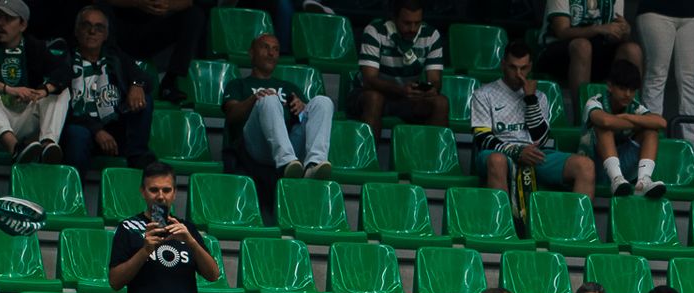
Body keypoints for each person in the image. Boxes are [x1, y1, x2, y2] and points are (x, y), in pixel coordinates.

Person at [109, 163, 221, 293]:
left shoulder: (186, 229)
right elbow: (115, 281)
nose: (160, 196)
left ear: (175, 193)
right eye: (154, 189)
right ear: (143, 192)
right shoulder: (128, 229)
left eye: (166, 190)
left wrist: (191, 242)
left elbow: (213, 274)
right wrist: (144, 251)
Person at [471, 42, 595, 198]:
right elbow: (482, 139)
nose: (518, 74)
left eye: (523, 68)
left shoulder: (539, 97)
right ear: (503, 65)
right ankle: (503, 222)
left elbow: (541, 140)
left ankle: (577, 223)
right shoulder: (483, 94)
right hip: (498, 153)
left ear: (530, 66)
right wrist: (516, 151)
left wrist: (531, 100)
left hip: (534, 154)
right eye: (512, 67)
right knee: (497, 160)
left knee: (585, 166)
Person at [0, 0, 67, 164]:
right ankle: (14, 147)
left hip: (21, 119)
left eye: (7, 19)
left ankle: (48, 144)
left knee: (60, 91)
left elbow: (64, 72)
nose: (0, 24)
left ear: (22, 25)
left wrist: (43, 90)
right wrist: (7, 89)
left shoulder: (34, 47)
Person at [224, 34, 332, 181]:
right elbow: (231, 115)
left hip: (290, 144)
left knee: (323, 102)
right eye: (265, 47)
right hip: (256, 145)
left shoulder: (289, 87)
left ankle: (314, 164)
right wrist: (254, 99)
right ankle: (286, 163)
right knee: (268, 99)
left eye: (275, 49)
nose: (271, 53)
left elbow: (308, 119)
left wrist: (302, 107)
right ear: (251, 52)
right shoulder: (238, 84)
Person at [58, 5, 151, 173]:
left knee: (145, 99)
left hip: (113, 128)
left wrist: (137, 85)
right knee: (76, 134)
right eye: (86, 25)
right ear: (77, 30)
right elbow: (61, 108)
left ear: (106, 35)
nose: (92, 32)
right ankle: (74, 193)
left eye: (99, 28)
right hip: (81, 129)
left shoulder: (115, 57)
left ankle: (137, 156)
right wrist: (96, 130)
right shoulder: (64, 60)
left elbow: (144, 77)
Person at [350, 0, 448, 136]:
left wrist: (431, 89)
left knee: (440, 102)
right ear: (394, 18)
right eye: (407, 23)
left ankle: (433, 156)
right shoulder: (375, 31)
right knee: (374, 98)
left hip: (407, 98)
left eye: (417, 23)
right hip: (369, 94)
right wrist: (401, 90)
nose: (413, 29)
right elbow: (369, 80)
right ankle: (368, 157)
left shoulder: (431, 35)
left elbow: (436, 80)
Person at [583, 58, 667, 199]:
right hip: (592, 168)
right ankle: (616, 179)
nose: (628, 94)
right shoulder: (594, 102)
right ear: (610, 86)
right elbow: (605, 120)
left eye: (632, 90)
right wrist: (640, 122)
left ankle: (643, 181)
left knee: (651, 131)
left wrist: (628, 117)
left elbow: (661, 123)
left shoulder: (634, 107)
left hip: (625, 168)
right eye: (622, 89)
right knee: (604, 129)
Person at [103, 0, 206, 108]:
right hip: (119, 29)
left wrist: (166, 5)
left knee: (195, 14)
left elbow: (187, 2)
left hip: (149, 31)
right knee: (99, 10)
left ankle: (170, 81)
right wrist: (137, 3)